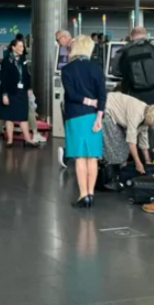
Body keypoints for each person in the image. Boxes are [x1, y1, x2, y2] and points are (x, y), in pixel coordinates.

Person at [61, 35, 106, 207]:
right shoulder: (96, 69)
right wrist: (99, 116)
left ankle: (83, 195)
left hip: (75, 116)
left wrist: (87, 101)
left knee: (80, 157)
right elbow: (103, 95)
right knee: (93, 157)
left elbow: (71, 95)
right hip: (94, 117)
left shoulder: (67, 70)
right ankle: (92, 194)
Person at [104, 91, 154, 172]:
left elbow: (144, 141)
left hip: (118, 111)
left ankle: (122, 169)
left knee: (124, 148)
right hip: (108, 107)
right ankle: (113, 170)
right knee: (118, 146)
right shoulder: (137, 114)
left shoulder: (147, 115)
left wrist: (147, 161)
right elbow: (131, 142)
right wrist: (138, 163)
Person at [117, 27, 154, 107]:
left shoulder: (124, 50)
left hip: (135, 98)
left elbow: (116, 71)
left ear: (131, 36)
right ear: (145, 35)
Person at [0, 38, 35, 147]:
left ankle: (28, 139)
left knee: (23, 116)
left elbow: (27, 75)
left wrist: (29, 88)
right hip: (10, 91)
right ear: (13, 47)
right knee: (9, 116)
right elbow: (3, 79)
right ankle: (10, 140)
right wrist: (4, 95)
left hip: (22, 91)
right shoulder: (6, 60)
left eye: (22, 46)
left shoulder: (23, 60)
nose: (22, 48)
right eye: (19, 46)